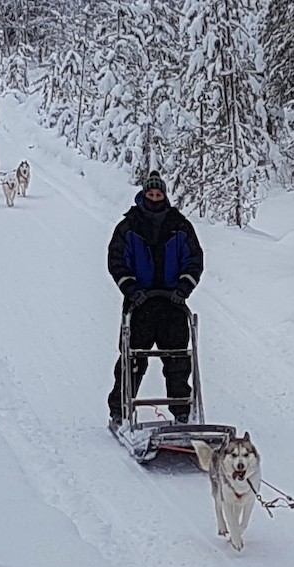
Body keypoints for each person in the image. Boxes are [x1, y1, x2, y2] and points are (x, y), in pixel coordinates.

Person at [107, 171, 205, 427]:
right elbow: (117, 261)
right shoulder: (129, 226)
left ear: (164, 195)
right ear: (143, 194)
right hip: (139, 304)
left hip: (172, 303)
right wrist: (131, 289)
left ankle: (182, 413)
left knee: (178, 360)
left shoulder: (180, 225)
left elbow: (194, 260)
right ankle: (120, 410)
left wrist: (183, 289)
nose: (154, 197)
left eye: (158, 194)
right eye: (150, 194)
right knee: (132, 360)